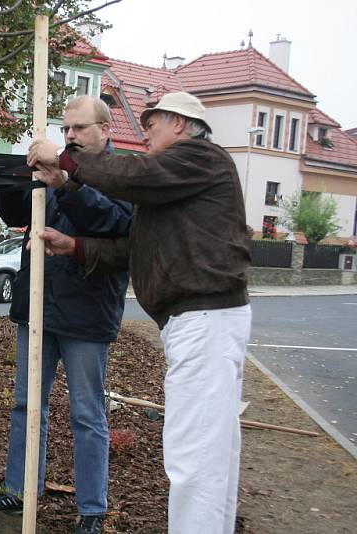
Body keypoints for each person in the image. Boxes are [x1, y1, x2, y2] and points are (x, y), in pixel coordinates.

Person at [27, 91, 252, 534]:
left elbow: (132, 173)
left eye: (152, 125)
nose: (145, 134)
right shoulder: (179, 183)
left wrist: (64, 158)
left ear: (181, 125)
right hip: (201, 320)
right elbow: (136, 248)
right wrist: (74, 245)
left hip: (203, 321)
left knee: (194, 455)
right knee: (212, 451)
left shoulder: (197, 159)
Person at [0, 96, 132, 534]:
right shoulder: (55, 170)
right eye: (65, 129)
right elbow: (20, 216)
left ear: (106, 131)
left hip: (86, 311)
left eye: (80, 129)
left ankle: (91, 509)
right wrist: (11, 178)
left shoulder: (119, 175)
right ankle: (21, 487)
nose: (70, 136)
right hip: (39, 303)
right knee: (26, 404)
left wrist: (65, 180)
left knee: (87, 412)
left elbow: (109, 223)